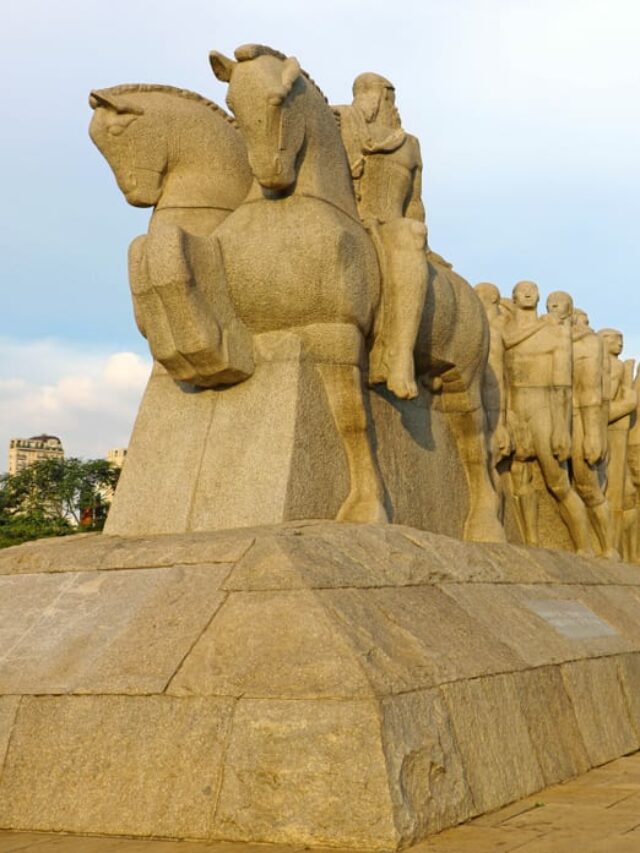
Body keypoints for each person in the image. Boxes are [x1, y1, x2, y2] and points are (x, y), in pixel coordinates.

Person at [335, 73, 427, 399]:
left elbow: (414, 203)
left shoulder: (410, 144)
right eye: (360, 90)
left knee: (410, 233)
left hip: (391, 223)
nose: (368, 97)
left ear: (389, 98)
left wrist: (423, 246)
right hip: (347, 215)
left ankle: (400, 357)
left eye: (375, 91)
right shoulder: (340, 124)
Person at [501, 281, 593, 554]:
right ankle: (531, 543)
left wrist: (561, 429)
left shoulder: (555, 333)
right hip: (516, 406)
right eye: (522, 288)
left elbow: (562, 386)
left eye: (532, 289)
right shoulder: (505, 331)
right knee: (520, 476)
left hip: (544, 407)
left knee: (557, 481)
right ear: (514, 296)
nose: (528, 292)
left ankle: (585, 548)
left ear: (538, 297)